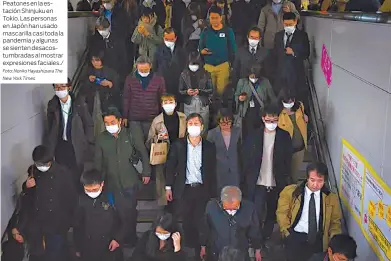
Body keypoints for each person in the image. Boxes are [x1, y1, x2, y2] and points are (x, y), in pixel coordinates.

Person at [94, 107, 152, 246]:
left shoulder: (131, 134)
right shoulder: (101, 139)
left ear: (120, 121)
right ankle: (120, 240)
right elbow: (98, 163)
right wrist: (99, 182)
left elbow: (142, 152)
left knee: (130, 211)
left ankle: (131, 240)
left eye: (112, 122)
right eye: (106, 123)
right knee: (118, 213)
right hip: (112, 183)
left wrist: (146, 172)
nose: (110, 125)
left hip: (130, 180)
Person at [165, 113, 217, 255]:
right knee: (186, 220)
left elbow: (213, 171)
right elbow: (170, 166)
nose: (193, 127)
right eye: (191, 124)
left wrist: (213, 192)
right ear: (187, 126)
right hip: (184, 189)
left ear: (202, 126)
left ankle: (200, 251)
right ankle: (185, 250)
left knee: (201, 220)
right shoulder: (178, 145)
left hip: (202, 189)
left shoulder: (209, 147)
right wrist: (168, 187)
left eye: (196, 124)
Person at [242, 103, 292, 246]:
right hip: (258, 182)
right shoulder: (253, 136)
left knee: (272, 212)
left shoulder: (284, 136)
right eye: (269, 120)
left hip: (276, 182)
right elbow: (246, 159)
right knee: (256, 212)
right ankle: (255, 240)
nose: (272, 123)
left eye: (275, 120)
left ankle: (266, 237)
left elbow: (288, 159)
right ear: (263, 118)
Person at [276, 162, 342, 261]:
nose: (315, 184)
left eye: (320, 181)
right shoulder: (291, 192)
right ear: (307, 178)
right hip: (295, 237)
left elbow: (335, 222)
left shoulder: (331, 198)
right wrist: (286, 232)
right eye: (312, 180)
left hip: (318, 239)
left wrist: (333, 240)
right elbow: (282, 213)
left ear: (325, 181)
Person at [23, 145, 77, 261]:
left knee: (55, 252)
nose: (41, 167)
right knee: (38, 253)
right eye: (38, 164)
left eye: (44, 164)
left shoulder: (63, 173)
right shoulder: (33, 172)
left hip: (57, 222)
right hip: (38, 222)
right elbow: (28, 197)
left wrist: (69, 220)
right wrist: (27, 187)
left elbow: (71, 198)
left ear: (50, 161)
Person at [46, 79, 94, 191]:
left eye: (62, 87)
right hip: (61, 145)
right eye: (57, 87)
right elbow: (50, 125)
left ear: (69, 87)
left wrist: (88, 141)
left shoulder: (79, 103)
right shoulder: (53, 105)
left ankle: (78, 198)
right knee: (63, 174)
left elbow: (88, 124)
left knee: (77, 172)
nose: (60, 90)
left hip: (77, 144)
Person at [74, 169, 131, 261]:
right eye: (88, 190)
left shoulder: (113, 197)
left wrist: (117, 239)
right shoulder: (81, 200)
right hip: (88, 247)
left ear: (102, 184)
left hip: (109, 245)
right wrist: (77, 247)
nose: (91, 192)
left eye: (95, 189)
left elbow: (126, 220)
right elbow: (78, 225)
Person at [199, 186, 262, 261]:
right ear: (221, 201)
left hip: (240, 253)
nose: (231, 210)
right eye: (227, 208)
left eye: (234, 208)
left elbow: (254, 231)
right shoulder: (211, 207)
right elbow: (205, 228)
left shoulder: (249, 209)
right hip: (216, 252)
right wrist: (203, 246)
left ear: (240, 201)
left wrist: (257, 249)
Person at [146, 94, 187, 206]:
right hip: (163, 154)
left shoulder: (183, 117)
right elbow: (149, 141)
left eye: (171, 102)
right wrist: (158, 138)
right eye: (165, 102)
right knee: (163, 181)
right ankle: (164, 207)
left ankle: (179, 204)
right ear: (161, 105)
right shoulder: (157, 120)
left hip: (180, 153)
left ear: (175, 104)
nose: (168, 105)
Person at [122, 56, 166, 140]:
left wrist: (162, 115)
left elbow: (162, 98)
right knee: (137, 143)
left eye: (145, 70)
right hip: (134, 118)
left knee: (150, 142)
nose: (143, 72)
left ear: (150, 66)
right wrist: (125, 116)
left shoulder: (159, 79)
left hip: (152, 117)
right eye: (140, 70)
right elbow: (126, 98)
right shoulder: (130, 79)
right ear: (136, 67)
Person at [273, 12, 310, 105]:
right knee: (281, 102)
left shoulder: (302, 36)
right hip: (281, 74)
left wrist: (294, 52)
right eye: (286, 24)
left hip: (296, 74)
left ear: (295, 22)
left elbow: (306, 54)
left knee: (296, 102)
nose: (288, 26)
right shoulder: (278, 36)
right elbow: (275, 54)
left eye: (290, 24)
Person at [199, 5, 237, 96]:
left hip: (223, 66)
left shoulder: (228, 31)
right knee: (208, 92)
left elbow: (233, 49)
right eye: (212, 18)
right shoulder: (205, 31)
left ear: (221, 18)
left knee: (222, 93)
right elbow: (200, 47)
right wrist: (202, 51)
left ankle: (221, 110)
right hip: (208, 66)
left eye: (216, 18)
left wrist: (231, 64)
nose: (214, 20)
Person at [234, 64, 276, 138]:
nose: (254, 77)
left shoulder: (265, 82)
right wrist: (240, 98)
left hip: (261, 110)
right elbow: (236, 95)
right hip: (247, 112)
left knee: (261, 133)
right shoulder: (242, 82)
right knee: (248, 134)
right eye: (252, 76)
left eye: (255, 76)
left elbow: (272, 97)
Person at [278, 87, 309, 183]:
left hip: (299, 148)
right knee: (284, 173)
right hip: (285, 150)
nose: (289, 103)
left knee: (295, 174)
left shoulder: (300, 107)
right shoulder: (278, 113)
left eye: (291, 100)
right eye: (287, 101)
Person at [207, 109, 242, 193]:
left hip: (235, 168)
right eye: (223, 123)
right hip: (219, 169)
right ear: (218, 122)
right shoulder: (212, 134)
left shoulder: (238, 131)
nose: (226, 125)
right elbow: (209, 154)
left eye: (228, 122)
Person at [179, 52, 214, 131]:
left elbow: (211, 90)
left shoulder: (206, 74)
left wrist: (200, 91)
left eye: (195, 64)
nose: (193, 66)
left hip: (202, 103)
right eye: (191, 64)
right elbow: (180, 90)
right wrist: (186, 92)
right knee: (189, 126)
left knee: (203, 126)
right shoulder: (183, 74)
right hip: (189, 103)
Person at [90, 16, 128, 82]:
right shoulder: (95, 40)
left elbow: (123, 58)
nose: (102, 32)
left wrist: (122, 76)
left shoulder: (118, 39)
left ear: (108, 27)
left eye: (104, 29)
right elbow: (93, 55)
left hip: (115, 72)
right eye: (99, 29)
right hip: (101, 73)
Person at [153, 27, 187, 100]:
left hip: (177, 84)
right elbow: (155, 67)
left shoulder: (181, 51)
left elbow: (184, 68)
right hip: (163, 84)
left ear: (175, 38)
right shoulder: (158, 50)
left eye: (171, 39)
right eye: (166, 39)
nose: (168, 41)